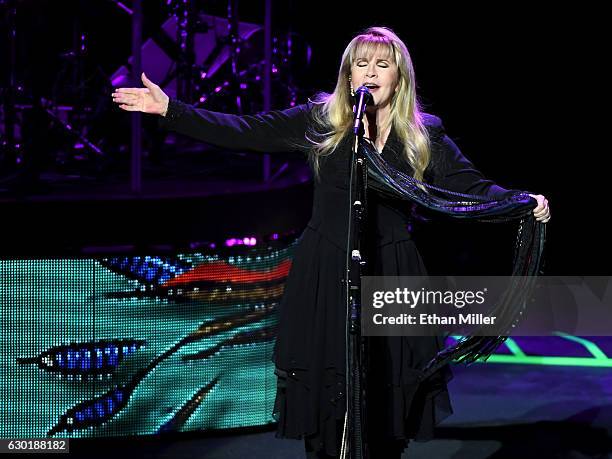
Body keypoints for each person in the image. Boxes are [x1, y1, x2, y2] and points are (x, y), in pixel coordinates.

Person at [112, 26, 550, 459]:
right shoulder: (322, 122)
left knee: (386, 395)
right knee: (327, 393)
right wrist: (172, 110)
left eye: (383, 64)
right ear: (348, 75)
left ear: (399, 76)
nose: (371, 72)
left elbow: (470, 187)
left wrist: (521, 202)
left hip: (392, 271)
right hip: (326, 269)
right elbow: (246, 130)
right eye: (362, 64)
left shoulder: (422, 134)